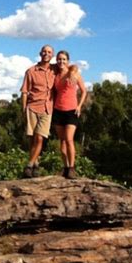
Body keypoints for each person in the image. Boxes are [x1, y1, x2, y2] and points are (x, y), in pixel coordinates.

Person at [20, 45, 56, 178]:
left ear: (52, 55)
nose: (46, 54)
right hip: (32, 107)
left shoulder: (55, 70)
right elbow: (24, 92)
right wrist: (24, 109)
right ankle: (36, 164)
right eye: (44, 51)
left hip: (47, 109)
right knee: (32, 140)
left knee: (40, 138)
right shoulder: (31, 71)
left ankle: (29, 165)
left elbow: (68, 69)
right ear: (40, 53)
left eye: (49, 52)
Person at [53, 50, 87, 179]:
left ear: (68, 61)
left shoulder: (74, 73)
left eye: (64, 59)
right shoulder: (56, 74)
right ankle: (66, 167)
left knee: (69, 139)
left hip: (71, 111)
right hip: (57, 110)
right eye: (59, 59)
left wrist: (79, 106)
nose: (61, 61)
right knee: (62, 142)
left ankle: (72, 168)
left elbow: (84, 91)